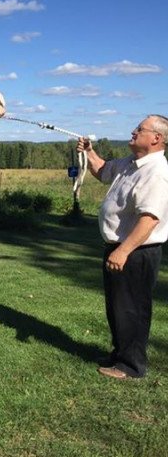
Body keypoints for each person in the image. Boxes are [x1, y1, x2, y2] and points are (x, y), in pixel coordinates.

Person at [77, 114, 168, 379]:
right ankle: (119, 355)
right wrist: (90, 152)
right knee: (117, 306)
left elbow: (150, 219)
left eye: (140, 129)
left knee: (133, 308)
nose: (133, 131)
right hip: (120, 248)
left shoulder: (157, 172)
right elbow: (104, 171)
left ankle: (132, 365)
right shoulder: (131, 163)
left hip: (136, 251)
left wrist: (124, 250)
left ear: (156, 138)